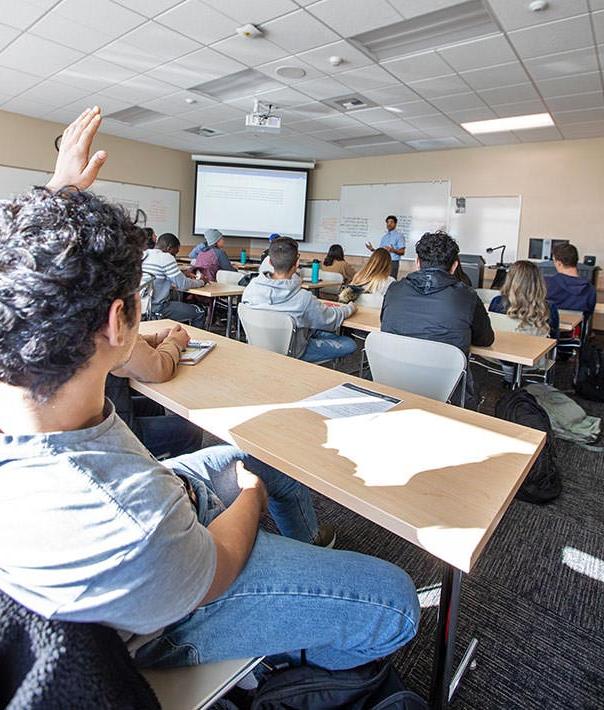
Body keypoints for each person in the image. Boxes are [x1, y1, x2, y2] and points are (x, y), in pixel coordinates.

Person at [0, 107, 420, 675]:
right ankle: (285, 663)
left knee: (245, 449)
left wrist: (60, 193)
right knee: (392, 601)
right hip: (162, 613)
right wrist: (250, 496)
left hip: (120, 538)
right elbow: (217, 562)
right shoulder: (128, 519)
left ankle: (309, 545)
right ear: (119, 322)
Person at [381, 231, 494, 408]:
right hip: (446, 390)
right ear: (455, 265)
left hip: (391, 379)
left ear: (417, 262)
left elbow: (386, 325)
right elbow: (485, 339)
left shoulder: (394, 289)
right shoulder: (467, 295)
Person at [243, 237, 358, 364]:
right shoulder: (303, 298)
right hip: (294, 351)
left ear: (269, 262)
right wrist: (350, 307)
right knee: (349, 343)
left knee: (311, 326)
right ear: (297, 264)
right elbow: (332, 320)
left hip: (259, 346)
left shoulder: (251, 288)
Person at [107, 325, 204, 458]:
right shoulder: (107, 325)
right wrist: (175, 342)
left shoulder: (84, 319)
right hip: (108, 434)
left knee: (153, 405)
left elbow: (130, 347)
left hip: (100, 411)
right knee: (191, 430)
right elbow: (159, 368)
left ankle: (154, 460)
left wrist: (155, 339)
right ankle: (172, 475)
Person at [489, 261, 559, 384]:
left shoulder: (496, 302)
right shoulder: (550, 309)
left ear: (510, 280)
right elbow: (554, 340)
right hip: (533, 363)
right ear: (538, 283)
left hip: (497, 359)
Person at [143, 232, 206, 328]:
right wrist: (201, 282)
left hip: (142, 307)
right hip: (158, 307)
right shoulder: (166, 257)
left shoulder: (145, 254)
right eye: (174, 253)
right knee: (199, 312)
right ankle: (195, 341)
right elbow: (183, 284)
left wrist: (182, 274)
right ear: (169, 248)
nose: (174, 257)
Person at [546, 242, 596, 314]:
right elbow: (588, 315)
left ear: (559, 263)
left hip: (550, 325)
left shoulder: (546, 285)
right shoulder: (590, 289)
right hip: (577, 325)